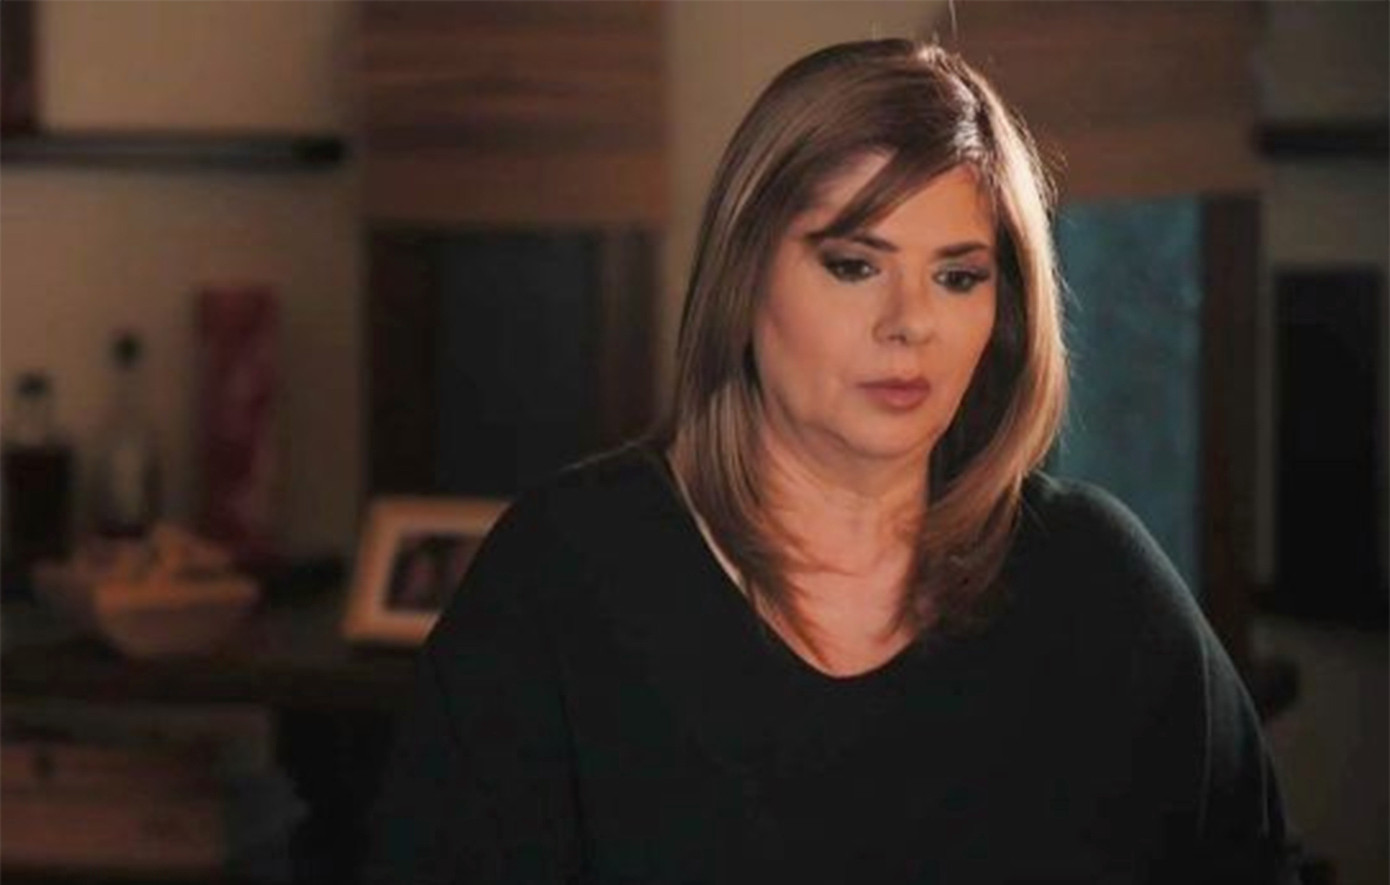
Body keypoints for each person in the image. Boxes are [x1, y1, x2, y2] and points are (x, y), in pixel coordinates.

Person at [365, 40, 1299, 883]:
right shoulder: (561, 575)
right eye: (854, 264)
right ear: (743, 276)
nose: (911, 322)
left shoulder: (1097, 580)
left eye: (958, 275)